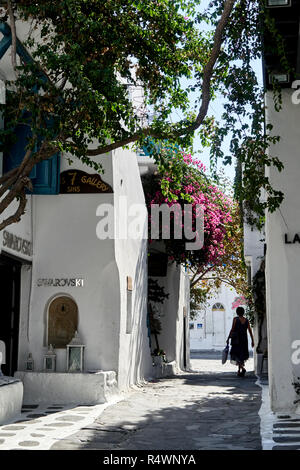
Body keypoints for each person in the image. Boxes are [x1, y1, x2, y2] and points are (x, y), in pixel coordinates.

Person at [226, 306, 254, 377]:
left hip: (236, 340)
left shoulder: (235, 319)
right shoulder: (246, 320)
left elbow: (232, 329)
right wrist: (252, 340)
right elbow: (250, 331)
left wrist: (228, 338)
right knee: (241, 355)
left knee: (235, 354)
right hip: (244, 340)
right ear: (243, 312)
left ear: (237, 312)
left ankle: (242, 368)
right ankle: (239, 371)